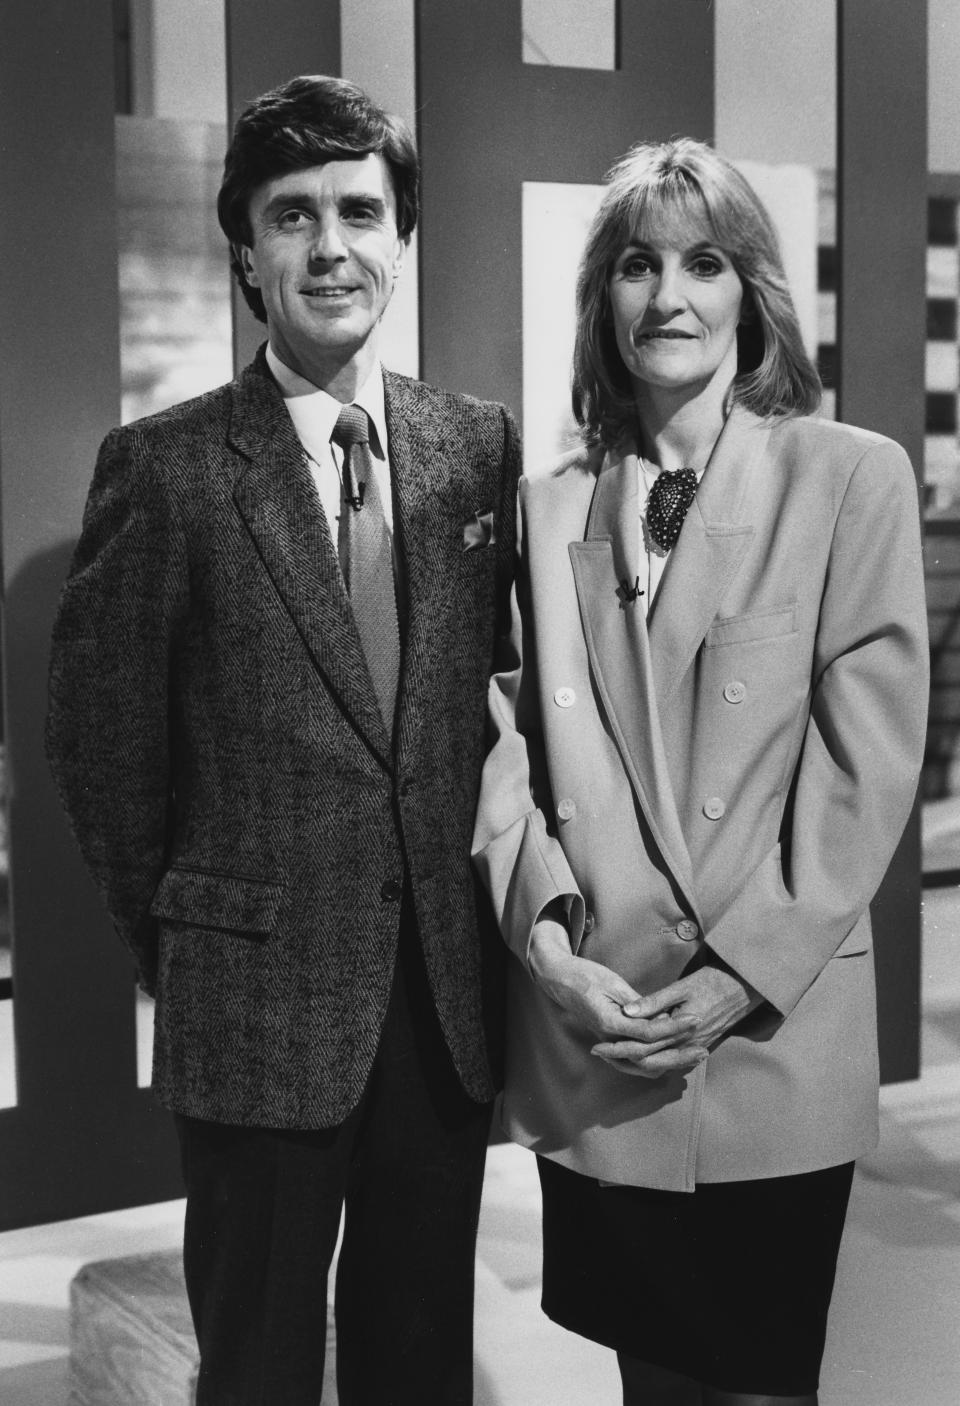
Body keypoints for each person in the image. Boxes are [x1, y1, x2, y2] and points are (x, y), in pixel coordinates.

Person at [47, 74, 520, 1406]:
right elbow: (104, 742)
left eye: (360, 211)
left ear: (402, 236)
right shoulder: (170, 465)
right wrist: (187, 934)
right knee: (254, 1359)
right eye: (292, 214)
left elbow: (497, 696)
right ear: (247, 251)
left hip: (439, 995)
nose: (330, 246)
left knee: (419, 1348)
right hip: (252, 997)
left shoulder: (469, 449)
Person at [472, 138, 928, 1406]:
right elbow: (502, 744)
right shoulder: (545, 508)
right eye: (637, 264)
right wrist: (551, 945)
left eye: (706, 262)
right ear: (604, 303)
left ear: (751, 295)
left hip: (769, 1031)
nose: (669, 294)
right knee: (651, 1385)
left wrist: (738, 978)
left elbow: (867, 761)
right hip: (600, 1034)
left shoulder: (850, 477)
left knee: (760, 1387)